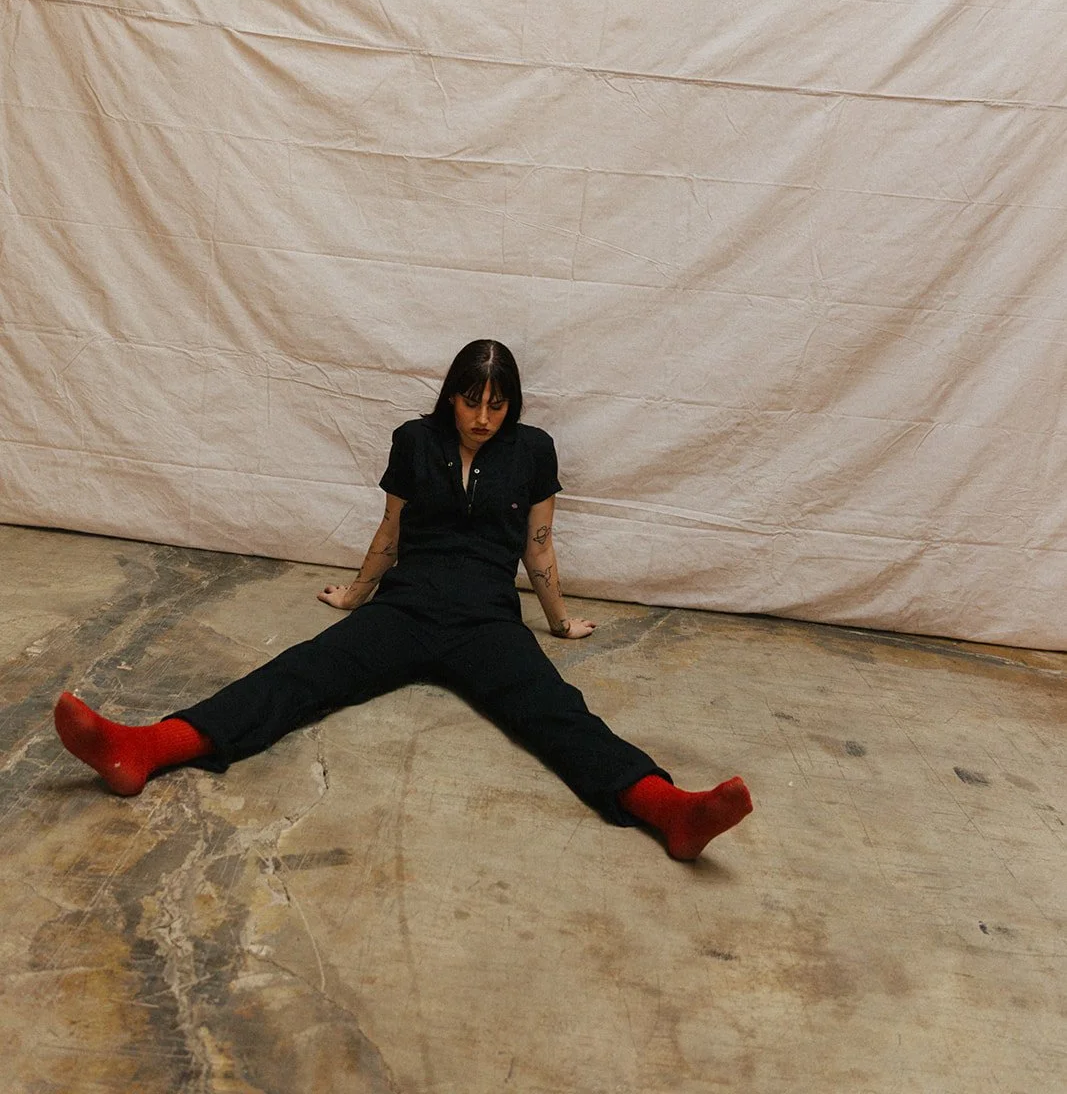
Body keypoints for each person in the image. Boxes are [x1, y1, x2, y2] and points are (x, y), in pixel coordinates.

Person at [53, 340, 752, 860]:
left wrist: (560, 621)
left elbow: (538, 546)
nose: (483, 417)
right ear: (450, 396)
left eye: (497, 403)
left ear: (512, 404)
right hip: (407, 607)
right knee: (299, 675)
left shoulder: (533, 450)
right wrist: (356, 594)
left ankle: (669, 811)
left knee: (554, 712)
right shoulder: (413, 441)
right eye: (471, 401)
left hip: (486, 618)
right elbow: (389, 531)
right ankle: (144, 747)